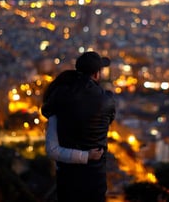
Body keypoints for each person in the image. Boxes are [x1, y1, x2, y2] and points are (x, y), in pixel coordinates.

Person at [42, 51, 116, 202]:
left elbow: (47, 111)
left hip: (68, 179)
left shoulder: (61, 97)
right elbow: (108, 120)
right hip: (96, 178)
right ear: (97, 75)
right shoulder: (107, 100)